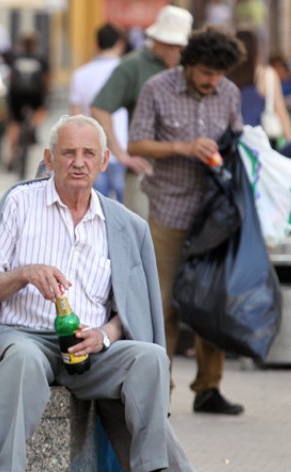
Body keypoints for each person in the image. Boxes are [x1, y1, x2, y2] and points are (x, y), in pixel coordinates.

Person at [0, 114, 245, 472]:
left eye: (88, 153)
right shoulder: (19, 203)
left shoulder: (127, 225)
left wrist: (105, 335)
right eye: (68, 153)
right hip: (19, 333)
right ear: (49, 158)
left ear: (105, 160)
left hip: (87, 346)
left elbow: (126, 313)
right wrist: (24, 274)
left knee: (148, 358)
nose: (78, 162)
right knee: (21, 358)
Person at [128, 28, 246, 415]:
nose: (213, 81)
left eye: (219, 74)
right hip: (169, 210)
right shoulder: (157, 88)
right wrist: (183, 147)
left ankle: (209, 388)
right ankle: (160, 391)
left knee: (213, 301)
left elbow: (237, 140)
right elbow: (137, 143)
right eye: (207, 72)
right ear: (190, 62)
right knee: (163, 303)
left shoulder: (229, 92)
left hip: (215, 215)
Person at [91, 5, 193, 220]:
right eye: (169, 43)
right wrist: (121, 155)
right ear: (157, 38)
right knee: (141, 242)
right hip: (144, 172)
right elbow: (100, 108)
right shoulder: (133, 66)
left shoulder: (189, 67)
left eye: (179, 45)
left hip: (185, 174)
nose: (174, 49)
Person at [69, 23, 127, 203]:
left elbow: (75, 118)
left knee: (97, 206)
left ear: (96, 45)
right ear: (120, 44)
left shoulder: (80, 74)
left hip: (91, 151)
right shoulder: (126, 72)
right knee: (124, 213)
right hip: (124, 148)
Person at [229, 29, 291, 148]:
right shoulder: (266, 75)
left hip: (234, 144)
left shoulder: (226, 76)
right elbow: (281, 112)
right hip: (262, 145)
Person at [5, 32, 50, 175]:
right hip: (35, 96)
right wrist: (46, 96)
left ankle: (11, 155)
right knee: (42, 109)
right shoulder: (41, 58)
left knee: (14, 123)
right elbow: (46, 79)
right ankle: (33, 127)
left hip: (16, 95)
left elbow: (10, 77)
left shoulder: (14, 57)